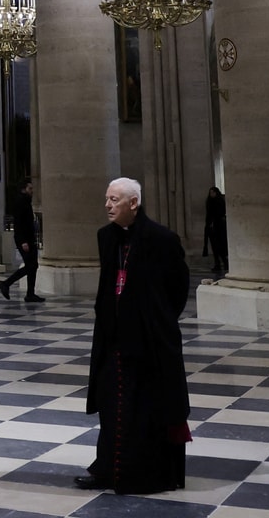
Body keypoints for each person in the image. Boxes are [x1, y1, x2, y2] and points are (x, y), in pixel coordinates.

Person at [77, 177, 190, 495]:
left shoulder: (162, 239)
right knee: (110, 406)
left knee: (145, 410)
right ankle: (106, 469)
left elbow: (178, 288)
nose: (107, 205)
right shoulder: (106, 238)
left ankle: (146, 473)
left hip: (149, 342)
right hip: (113, 340)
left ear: (133, 203)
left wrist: (159, 321)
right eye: (107, 199)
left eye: (114, 199)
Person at [0, 178, 45, 302]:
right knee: (31, 265)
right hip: (24, 240)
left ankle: (30, 293)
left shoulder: (25, 201)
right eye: (30, 188)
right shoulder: (20, 202)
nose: (32, 191)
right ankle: (6, 283)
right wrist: (23, 241)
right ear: (23, 189)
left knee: (33, 265)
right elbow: (19, 223)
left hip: (29, 239)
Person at [202, 186, 228, 274]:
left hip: (219, 228)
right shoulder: (209, 202)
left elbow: (221, 213)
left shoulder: (219, 201)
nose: (211, 194)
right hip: (211, 228)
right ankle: (217, 263)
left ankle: (225, 262)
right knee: (214, 247)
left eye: (213, 192)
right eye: (210, 193)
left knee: (220, 247)